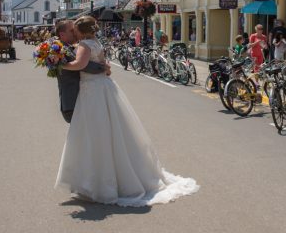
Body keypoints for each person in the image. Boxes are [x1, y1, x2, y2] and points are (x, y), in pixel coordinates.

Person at [55, 16, 199, 206]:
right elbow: (104, 67)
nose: (74, 33)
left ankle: (97, 182)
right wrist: (103, 69)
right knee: (111, 131)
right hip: (103, 87)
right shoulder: (96, 42)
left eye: (76, 30)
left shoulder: (83, 44)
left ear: (81, 31)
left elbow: (80, 65)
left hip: (92, 93)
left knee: (94, 134)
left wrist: (59, 63)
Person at [55, 19, 110, 124]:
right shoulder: (60, 50)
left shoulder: (75, 46)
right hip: (72, 102)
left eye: (75, 29)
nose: (75, 31)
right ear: (62, 34)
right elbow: (84, 65)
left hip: (85, 98)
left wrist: (103, 64)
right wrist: (104, 67)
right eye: (72, 30)